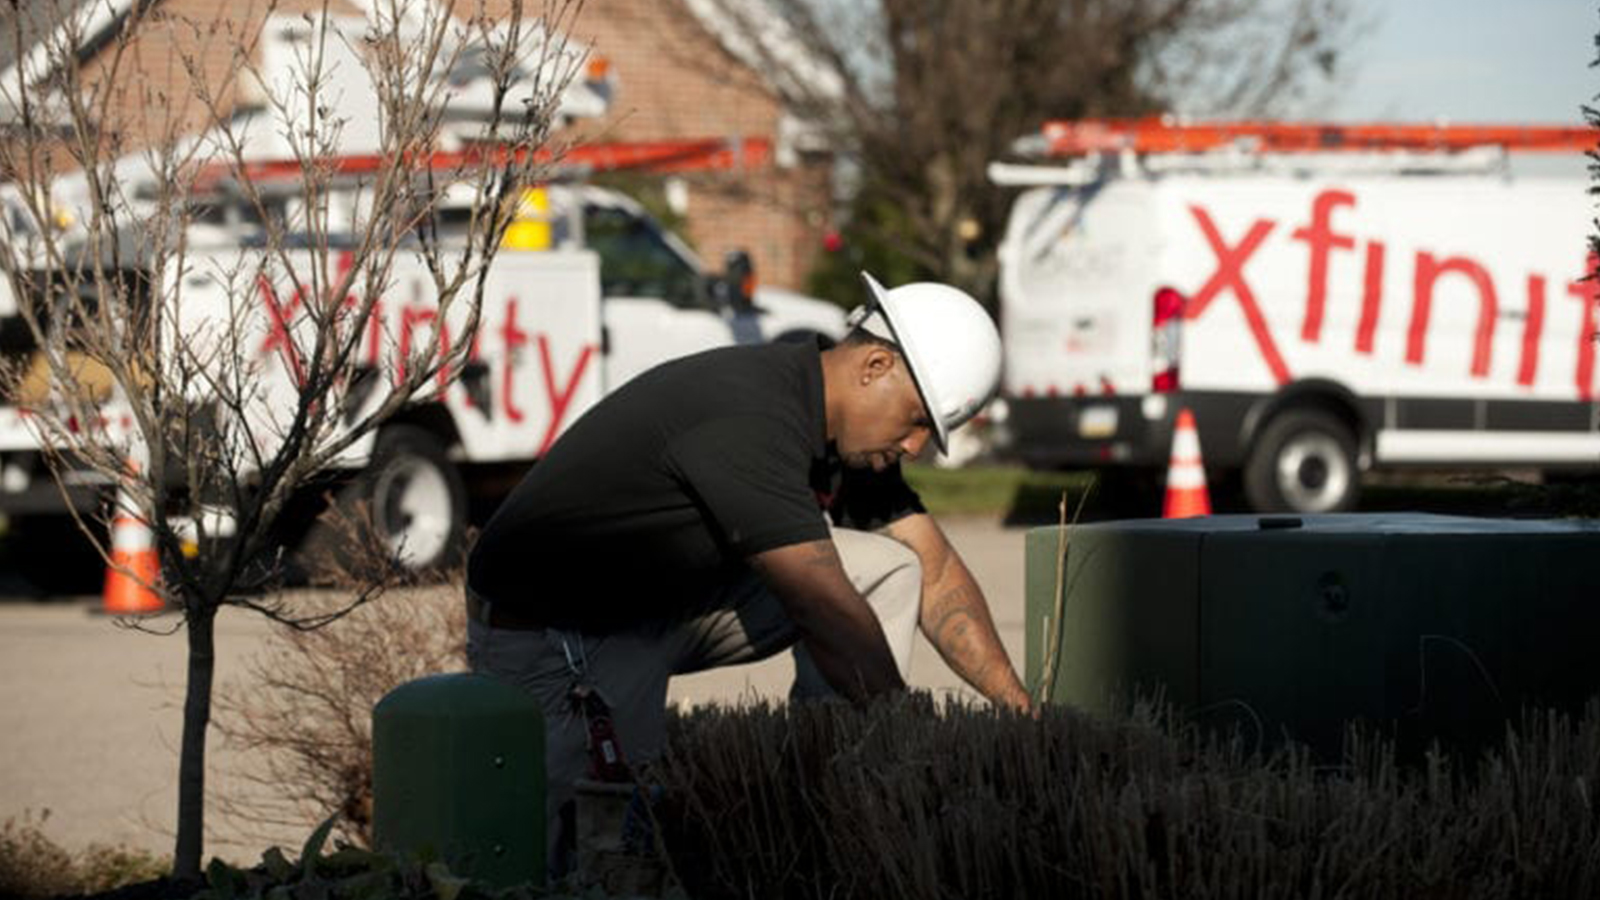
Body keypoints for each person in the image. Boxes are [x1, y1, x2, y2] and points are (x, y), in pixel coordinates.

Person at [464, 271, 1030, 867]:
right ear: (875, 367)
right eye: (918, 420)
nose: (918, 448)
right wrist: (916, 743)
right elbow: (822, 608)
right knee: (600, 857)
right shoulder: (751, 419)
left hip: (658, 601)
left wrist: (1020, 712)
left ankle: (827, 797)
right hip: (560, 639)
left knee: (892, 567)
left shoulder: (843, 429)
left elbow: (934, 569)